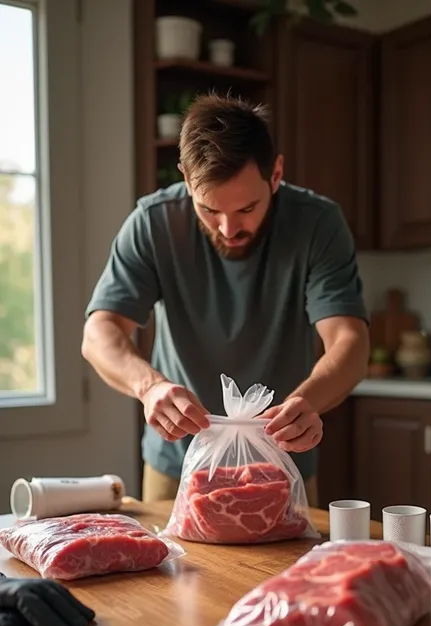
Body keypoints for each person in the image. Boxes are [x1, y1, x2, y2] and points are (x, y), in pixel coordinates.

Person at [82, 93, 369, 506]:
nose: (229, 227)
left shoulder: (318, 224)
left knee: (292, 571)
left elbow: (350, 342)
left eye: (247, 208)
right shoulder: (152, 223)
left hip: (283, 460)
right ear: (185, 178)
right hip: (177, 463)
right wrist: (150, 388)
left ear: (276, 174)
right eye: (209, 209)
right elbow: (99, 332)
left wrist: (310, 401)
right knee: (170, 569)